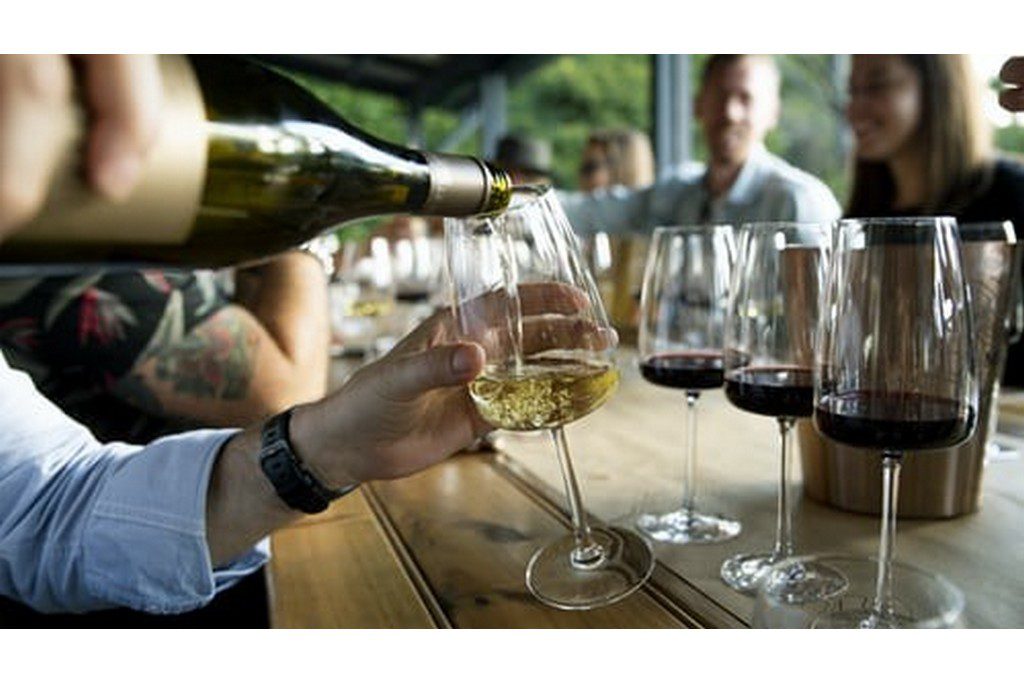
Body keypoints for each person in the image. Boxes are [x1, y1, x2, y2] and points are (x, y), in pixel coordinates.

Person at [0, 54, 576, 614]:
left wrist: (330, 448)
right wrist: (302, 221)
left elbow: (47, 510)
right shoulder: (87, 244)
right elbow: (281, 387)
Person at [0, 254, 331, 445]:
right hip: (138, 544)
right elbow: (288, 401)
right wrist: (304, 240)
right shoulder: (75, 252)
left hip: (183, 519)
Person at [844, 54, 1024, 385]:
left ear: (938, 87)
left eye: (876, 85)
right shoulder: (863, 213)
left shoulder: (1012, 194)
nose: (854, 108)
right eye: (852, 90)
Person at [561, 55, 842, 234]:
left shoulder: (799, 203)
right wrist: (521, 196)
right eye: (719, 96)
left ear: (773, 113)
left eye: (746, 99)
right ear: (698, 105)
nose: (730, 112)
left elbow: (829, 320)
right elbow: (590, 212)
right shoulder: (676, 193)